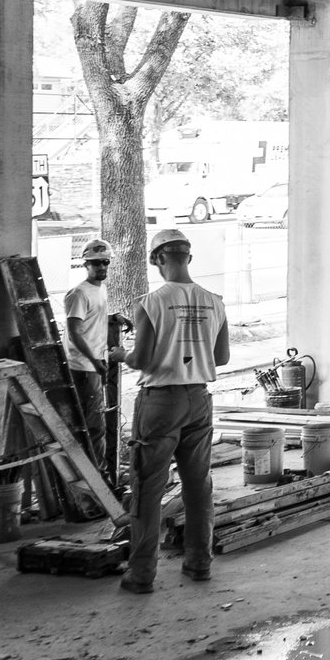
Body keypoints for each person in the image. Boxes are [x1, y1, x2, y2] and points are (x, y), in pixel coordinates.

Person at [121, 227, 230, 594]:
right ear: (188, 258)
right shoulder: (215, 300)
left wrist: (116, 354)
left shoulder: (151, 302)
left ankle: (141, 575)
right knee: (198, 486)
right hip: (199, 400)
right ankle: (199, 564)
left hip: (160, 403)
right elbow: (222, 357)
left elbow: (141, 358)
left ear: (157, 259)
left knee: (148, 489)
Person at [59, 238, 120, 465]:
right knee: (93, 426)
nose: (102, 267)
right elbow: (75, 332)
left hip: (93, 365)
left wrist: (112, 318)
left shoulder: (99, 289)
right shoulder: (79, 293)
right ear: (86, 265)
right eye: (96, 263)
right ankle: (96, 477)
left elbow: (89, 320)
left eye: (105, 262)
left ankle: (96, 474)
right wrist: (94, 361)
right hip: (84, 367)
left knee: (96, 423)